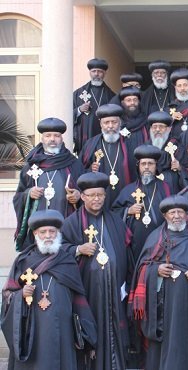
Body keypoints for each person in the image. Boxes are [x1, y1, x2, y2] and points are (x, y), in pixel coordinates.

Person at [128, 195, 188, 370]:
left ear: (186, 214)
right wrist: (156, 271)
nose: (176, 216)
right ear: (165, 216)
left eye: (180, 212)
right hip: (164, 304)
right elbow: (143, 267)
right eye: (172, 213)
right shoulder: (156, 237)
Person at [1, 210, 97, 370]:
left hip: (63, 333)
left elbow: (79, 300)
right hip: (32, 333)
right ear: (35, 234)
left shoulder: (68, 261)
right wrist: (21, 295)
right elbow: (7, 296)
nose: (48, 235)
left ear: (58, 233)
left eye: (52, 231)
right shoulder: (23, 261)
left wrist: (89, 337)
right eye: (43, 232)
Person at [61, 172, 132, 370]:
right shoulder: (71, 223)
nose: (96, 199)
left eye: (100, 195)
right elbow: (58, 252)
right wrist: (77, 249)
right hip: (87, 291)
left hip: (113, 290)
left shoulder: (116, 220)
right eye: (91, 195)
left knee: (114, 331)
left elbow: (127, 250)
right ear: (82, 196)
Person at [13, 117, 83, 250]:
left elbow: (85, 191)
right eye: (48, 135)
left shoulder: (73, 163)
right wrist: (29, 194)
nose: (52, 139)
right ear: (42, 139)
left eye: (56, 136)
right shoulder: (31, 164)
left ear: (61, 139)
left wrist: (78, 195)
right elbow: (18, 195)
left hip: (66, 221)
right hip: (39, 227)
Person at [112, 144, 176, 261]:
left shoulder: (166, 188)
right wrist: (128, 211)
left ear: (156, 166)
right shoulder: (128, 190)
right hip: (135, 244)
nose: (146, 167)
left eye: (150, 164)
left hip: (161, 242)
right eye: (143, 164)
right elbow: (114, 214)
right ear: (138, 166)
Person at [80, 103, 137, 208]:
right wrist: (90, 170)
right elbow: (80, 170)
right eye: (106, 123)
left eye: (114, 122)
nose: (110, 126)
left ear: (120, 123)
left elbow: (137, 170)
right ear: (101, 124)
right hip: (99, 197)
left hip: (125, 192)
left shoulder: (130, 143)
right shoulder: (91, 144)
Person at [73, 58, 115, 153]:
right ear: (90, 72)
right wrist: (79, 109)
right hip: (85, 136)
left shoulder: (112, 96)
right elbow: (67, 115)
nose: (96, 74)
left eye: (100, 71)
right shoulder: (79, 94)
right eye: (93, 71)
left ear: (105, 73)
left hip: (104, 134)